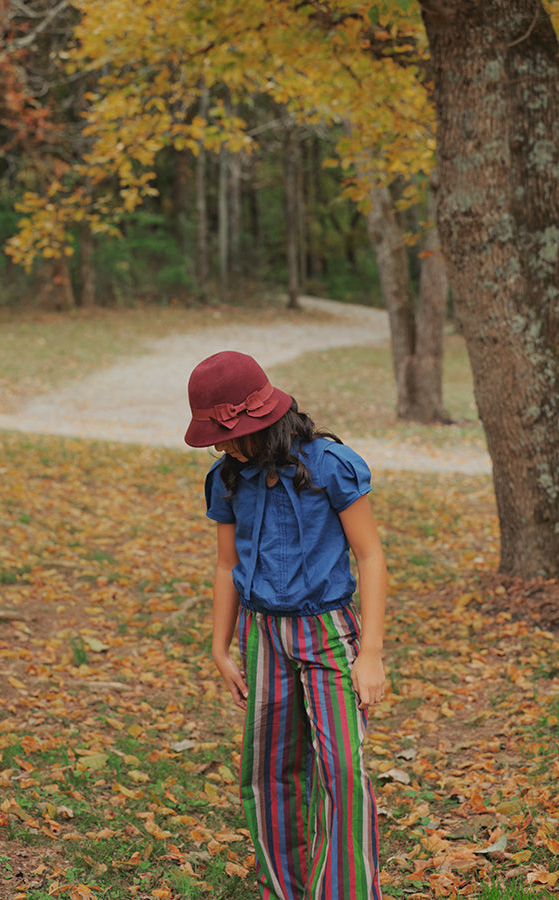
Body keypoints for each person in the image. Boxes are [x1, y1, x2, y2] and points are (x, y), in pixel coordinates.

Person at [185, 350, 386, 900]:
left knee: (342, 768)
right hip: (261, 636)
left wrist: (370, 653)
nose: (221, 445)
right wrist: (219, 646)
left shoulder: (328, 465)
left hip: (327, 633)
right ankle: (289, 889)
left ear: (261, 420)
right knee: (270, 769)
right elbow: (227, 564)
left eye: (225, 435)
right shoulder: (226, 479)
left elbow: (369, 556)